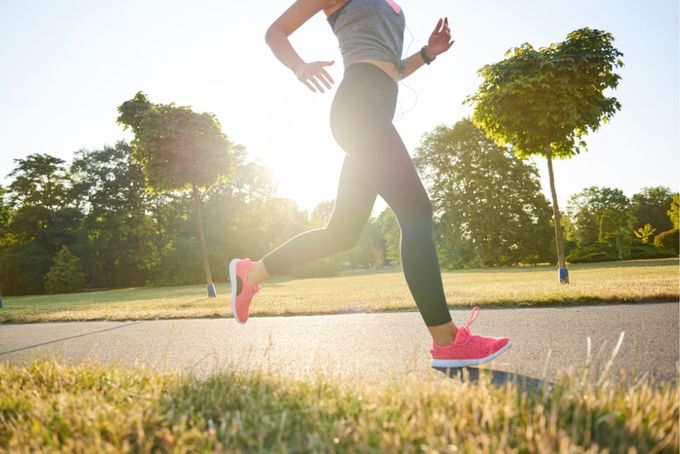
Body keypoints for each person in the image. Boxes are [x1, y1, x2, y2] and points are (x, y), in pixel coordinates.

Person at [229, 0, 511, 368]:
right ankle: (446, 341)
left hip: (372, 110)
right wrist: (299, 67)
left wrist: (428, 53)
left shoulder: (391, 7)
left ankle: (249, 273)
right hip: (358, 109)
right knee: (416, 212)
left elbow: (392, 69)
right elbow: (274, 32)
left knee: (341, 233)